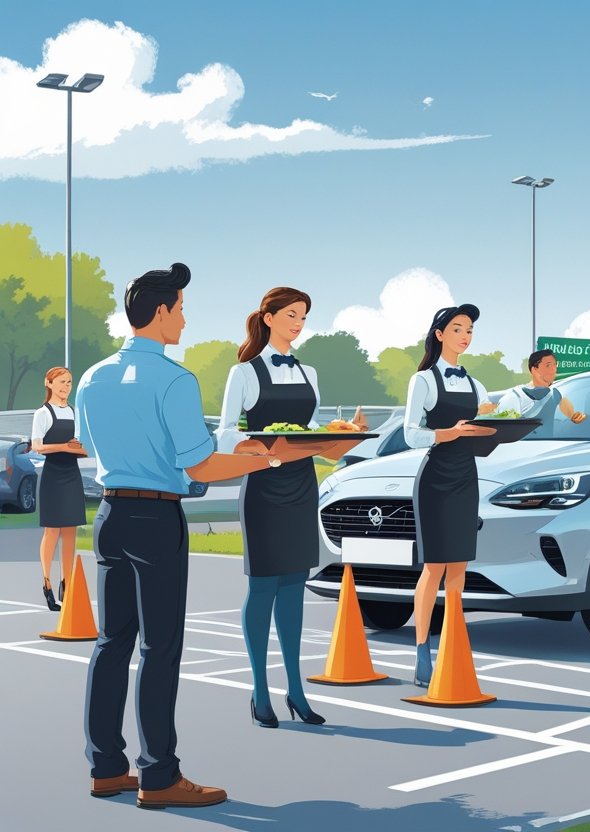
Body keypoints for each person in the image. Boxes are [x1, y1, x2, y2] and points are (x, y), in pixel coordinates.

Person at [75, 263, 284, 809]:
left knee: (110, 644)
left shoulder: (93, 377)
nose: (186, 320)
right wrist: (258, 461)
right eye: (183, 309)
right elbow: (199, 465)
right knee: (160, 648)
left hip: (110, 517)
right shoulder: (174, 379)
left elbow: (89, 446)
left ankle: (105, 767)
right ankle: (159, 775)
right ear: (162, 311)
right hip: (155, 521)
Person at [217, 287, 365, 728]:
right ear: (268, 318)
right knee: (263, 586)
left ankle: (296, 691)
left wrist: (347, 434)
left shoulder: (309, 372)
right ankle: (260, 690)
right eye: (291, 315)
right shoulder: (242, 373)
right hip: (263, 485)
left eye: (303, 316)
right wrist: (268, 452)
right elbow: (226, 435)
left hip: (301, 486)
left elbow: (315, 433)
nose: (299, 323)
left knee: (294, 587)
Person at [403, 305, 497, 686]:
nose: (465, 336)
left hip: (466, 477)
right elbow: (410, 433)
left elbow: (490, 426)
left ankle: (453, 644)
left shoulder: (477, 386)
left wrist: (495, 428)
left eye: (470, 330)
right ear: (439, 334)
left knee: (458, 567)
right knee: (434, 566)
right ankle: (422, 650)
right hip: (436, 477)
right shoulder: (423, 380)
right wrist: (449, 433)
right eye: (458, 328)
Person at [31, 367, 88, 611]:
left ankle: (67, 583)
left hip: (72, 475)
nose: (67, 387)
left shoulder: (73, 412)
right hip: (53, 477)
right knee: (52, 532)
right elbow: (37, 446)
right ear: (49, 383)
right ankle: (47, 584)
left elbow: (78, 445)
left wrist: (76, 447)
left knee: (70, 532)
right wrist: (65, 447)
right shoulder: (42, 413)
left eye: (70, 382)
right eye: (62, 382)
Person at [495, 349, 586, 436]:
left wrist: (575, 417)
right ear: (534, 369)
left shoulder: (555, 394)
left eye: (555, 365)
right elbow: (504, 432)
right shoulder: (515, 397)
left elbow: (571, 414)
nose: (554, 370)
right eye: (548, 366)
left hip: (550, 448)